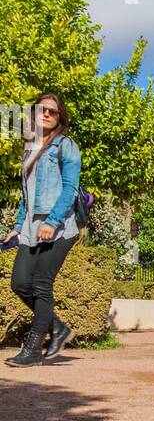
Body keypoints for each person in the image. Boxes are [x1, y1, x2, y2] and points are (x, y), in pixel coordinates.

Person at [3, 92, 81, 367]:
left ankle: (33, 348)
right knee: (20, 283)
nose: (46, 114)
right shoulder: (30, 147)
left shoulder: (65, 146)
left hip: (59, 227)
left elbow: (70, 189)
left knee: (40, 284)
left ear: (60, 117)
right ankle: (58, 327)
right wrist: (17, 227)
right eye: (41, 110)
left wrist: (52, 221)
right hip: (31, 226)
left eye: (53, 111)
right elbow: (27, 195)